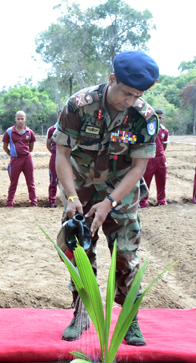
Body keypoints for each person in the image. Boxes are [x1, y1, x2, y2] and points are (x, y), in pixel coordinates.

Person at [53, 51, 159, 345]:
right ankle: (81, 313)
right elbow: (61, 155)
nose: (131, 101)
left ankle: (130, 319)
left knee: (126, 257)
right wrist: (72, 196)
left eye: (138, 95)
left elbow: (139, 167)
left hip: (121, 196)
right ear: (112, 80)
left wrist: (110, 202)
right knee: (78, 254)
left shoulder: (143, 117)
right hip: (81, 191)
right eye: (126, 93)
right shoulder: (79, 106)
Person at [3, 111, 37, 207]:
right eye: (18, 118)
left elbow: (31, 147)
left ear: (25, 119)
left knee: (31, 182)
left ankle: (34, 203)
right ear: (15, 120)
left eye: (22, 118)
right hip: (15, 160)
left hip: (27, 160)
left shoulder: (30, 132)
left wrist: (25, 154)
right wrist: (12, 155)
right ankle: (9, 203)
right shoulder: (9, 131)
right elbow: (5, 147)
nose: (20, 120)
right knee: (13, 183)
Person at [140, 109, 168, 208]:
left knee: (162, 180)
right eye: (156, 116)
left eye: (160, 117)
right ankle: (142, 202)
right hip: (150, 157)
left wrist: (160, 153)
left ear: (162, 118)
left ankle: (162, 200)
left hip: (160, 158)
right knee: (146, 180)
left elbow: (164, 145)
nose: (158, 119)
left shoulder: (165, 131)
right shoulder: (148, 128)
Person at [46, 120, 59, 208]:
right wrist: (54, 153)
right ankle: (51, 203)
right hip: (55, 155)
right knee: (53, 180)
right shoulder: (51, 129)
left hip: (69, 156)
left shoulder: (71, 127)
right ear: (58, 117)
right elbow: (48, 145)